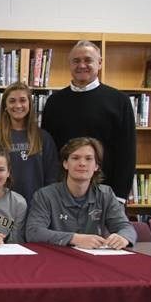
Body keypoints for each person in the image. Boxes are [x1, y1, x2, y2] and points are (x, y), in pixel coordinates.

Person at [41, 40, 136, 201]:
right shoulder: (54, 102)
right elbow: (48, 152)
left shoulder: (120, 101)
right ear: (69, 64)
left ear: (99, 63)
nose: (82, 65)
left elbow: (127, 153)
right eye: (76, 61)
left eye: (87, 60)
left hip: (106, 194)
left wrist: (119, 196)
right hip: (62, 194)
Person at [26, 137, 136, 249]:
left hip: (93, 259)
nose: (82, 163)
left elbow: (126, 227)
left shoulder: (105, 194)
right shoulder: (45, 195)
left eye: (88, 159)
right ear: (65, 164)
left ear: (96, 166)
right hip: (55, 259)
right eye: (75, 158)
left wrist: (123, 237)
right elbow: (33, 232)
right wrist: (75, 239)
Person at [0, 82, 57, 203]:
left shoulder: (44, 138)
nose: (18, 105)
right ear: (5, 105)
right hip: (2, 206)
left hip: (37, 207)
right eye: (12, 101)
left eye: (22, 100)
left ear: (29, 104)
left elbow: (52, 178)